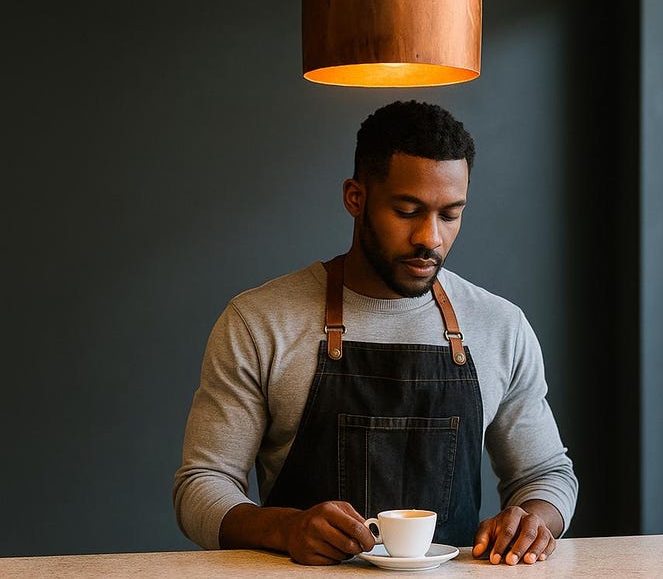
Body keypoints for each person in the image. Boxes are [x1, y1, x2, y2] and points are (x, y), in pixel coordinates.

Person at [173, 100, 577, 566]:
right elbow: (200, 485)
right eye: (407, 211)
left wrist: (533, 521)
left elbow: (546, 475)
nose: (430, 237)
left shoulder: (500, 326)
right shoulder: (260, 321)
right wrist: (284, 528)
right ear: (355, 197)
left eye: (450, 214)